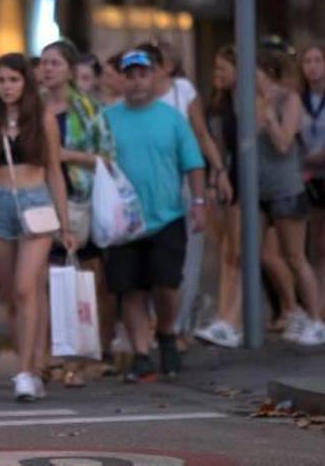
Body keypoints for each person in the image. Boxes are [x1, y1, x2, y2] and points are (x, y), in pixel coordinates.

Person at [0, 51, 74, 401]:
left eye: (14, 80)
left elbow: (54, 170)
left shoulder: (44, 120)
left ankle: (26, 371)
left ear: (26, 82)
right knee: (11, 294)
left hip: (37, 203)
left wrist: (65, 224)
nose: (7, 87)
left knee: (27, 288)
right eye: (2, 80)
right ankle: (31, 364)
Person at [102, 50, 206, 383]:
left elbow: (193, 162)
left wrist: (199, 202)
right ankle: (142, 353)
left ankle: (165, 332)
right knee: (131, 290)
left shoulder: (172, 117)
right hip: (124, 221)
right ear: (122, 79)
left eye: (142, 74)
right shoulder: (107, 118)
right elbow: (94, 163)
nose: (136, 81)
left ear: (153, 76)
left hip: (167, 216)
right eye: (129, 75)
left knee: (166, 284)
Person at [194, 46, 298, 348]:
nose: (218, 75)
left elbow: (275, 142)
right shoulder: (222, 102)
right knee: (233, 253)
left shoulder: (255, 101)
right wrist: (217, 175)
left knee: (258, 254)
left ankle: (289, 309)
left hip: (257, 184)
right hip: (233, 180)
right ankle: (228, 319)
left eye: (224, 69)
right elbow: (220, 144)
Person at [135, 42, 231, 340]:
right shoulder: (136, 96)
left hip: (182, 184)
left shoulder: (183, 91)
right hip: (146, 187)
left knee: (185, 257)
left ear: (167, 67)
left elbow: (201, 133)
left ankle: (178, 324)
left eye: (155, 64)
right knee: (146, 257)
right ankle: (154, 322)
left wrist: (218, 169)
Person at [39, 40, 115, 387]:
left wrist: (66, 155)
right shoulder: (33, 107)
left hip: (80, 200)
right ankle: (48, 356)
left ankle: (80, 357)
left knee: (81, 280)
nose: (48, 69)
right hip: (39, 199)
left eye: (55, 63)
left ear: (69, 69)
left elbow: (108, 158)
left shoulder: (87, 108)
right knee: (44, 281)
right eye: (44, 63)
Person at [253, 49, 325, 345]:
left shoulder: (289, 99)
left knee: (297, 255)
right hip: (261, 187)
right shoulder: (249, 100)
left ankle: (316, 318)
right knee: (262, 252)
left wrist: (269, 117)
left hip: (288, 185)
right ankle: (294, 310)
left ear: (268, 73)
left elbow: (284, 142)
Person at [299, 43, 325, 320]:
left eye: (318, 60)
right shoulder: (299, 98)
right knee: (313, 245)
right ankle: (315, 306)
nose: (313, 67)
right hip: (308, 176)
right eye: (308, 61)